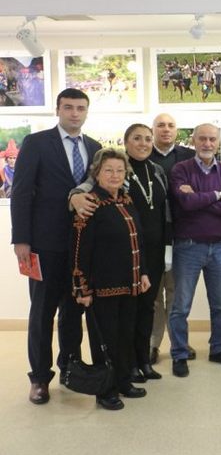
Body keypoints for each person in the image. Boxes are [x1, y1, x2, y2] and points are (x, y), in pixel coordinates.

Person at [12, 89, 101, 405]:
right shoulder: (37, 144)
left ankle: (70, 368)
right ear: (58, 109)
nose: (75, 113)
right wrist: (21, 239)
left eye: (80, 108)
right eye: (68, 107)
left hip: (81, 245)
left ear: (87, 111)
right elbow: (21, 193)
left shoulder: (95, 148)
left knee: (73, 312)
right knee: (41, 314)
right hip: (44, 244)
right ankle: (39, 378)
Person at [70, 124, 170, 383]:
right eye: (137, 138)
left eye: (148, 139)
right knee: (121, 319)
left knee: (146, 309)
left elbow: (164, 211)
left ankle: (142, 360)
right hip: (117, 262)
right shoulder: (113, 177)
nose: (143, 143)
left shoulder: (157, 171)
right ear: (126, 142)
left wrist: (166, 248)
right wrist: (74, 197)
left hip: (149, 256)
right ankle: (127, 369)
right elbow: (85, 190)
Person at [71, 148, 151, 410]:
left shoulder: (127, 201)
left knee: (125, 335)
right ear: (97, 173)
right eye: (108, 170)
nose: (115, 175)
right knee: (105, 339)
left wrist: (144, 274)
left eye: (119, 170)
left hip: (131, 284)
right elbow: (80, 250)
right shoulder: (91, 203)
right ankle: (106, 390)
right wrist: (81, 288)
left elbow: (138, 240)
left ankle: (124, 381)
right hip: (102, 287)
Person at [168, 124, 221, 376]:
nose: (207, 143)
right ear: (194, 140)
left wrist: (200, 197)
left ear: (218, 142)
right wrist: (216, 195)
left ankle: (218, 349)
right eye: (203, 139)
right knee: (180, 306)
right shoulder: (180, 170)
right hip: (188, 246)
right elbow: (185, 203)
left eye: (212, 139)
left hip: (219, 247)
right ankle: (179, 354)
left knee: (220, 305)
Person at [148, 113, 197, 365]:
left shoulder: (189, 157)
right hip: (152, 237)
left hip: (182, 235)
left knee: (177, 294)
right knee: (154, 296)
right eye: (160, 125)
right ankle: (152, 345)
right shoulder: (143, 155)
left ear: (176, 130)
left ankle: (180, 342)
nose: (166, 129)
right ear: (152, 130)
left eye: (171, 125)